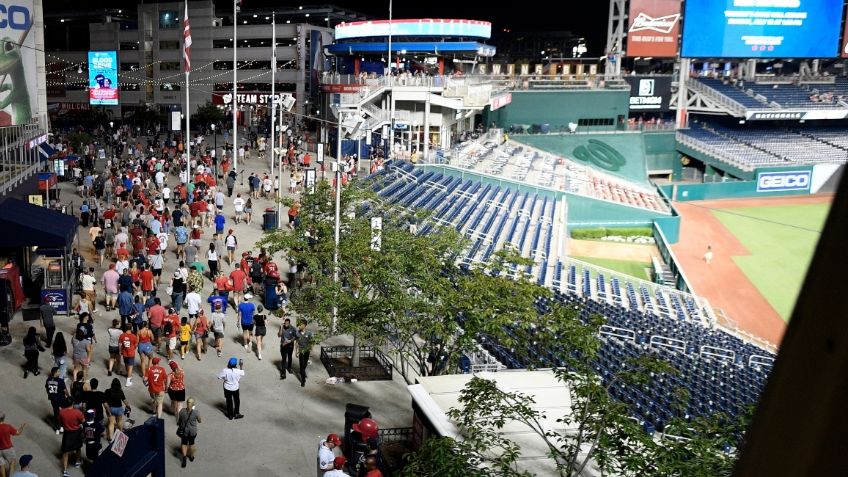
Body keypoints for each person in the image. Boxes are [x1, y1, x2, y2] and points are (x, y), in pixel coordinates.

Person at [58, 399, 84, 477]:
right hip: (76, 432)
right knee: (78, 448)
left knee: (65, 452)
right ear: (72, 403)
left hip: (67, 433)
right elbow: (83, 420)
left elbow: (60, 422)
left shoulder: (61, 412)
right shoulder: (77, 412)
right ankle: (77, 462)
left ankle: (65, 470)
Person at [177, 397, 202, 468]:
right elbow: (200, 421)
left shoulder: (182, 411)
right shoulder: (196, 412)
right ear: (193, 404)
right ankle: (191, 456)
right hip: (192, 431)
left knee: (184, 443)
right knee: (191, 443)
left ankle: (184, 457)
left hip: (184, 431)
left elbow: (179, 422)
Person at [0, 413, 26, 477]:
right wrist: (22, 427)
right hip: (8, 449)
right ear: (3, 418)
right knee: (12, 461)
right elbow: (18, 433)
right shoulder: (8, 427)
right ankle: (10, 476)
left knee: (1, 464)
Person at [45, 367, 68, 434]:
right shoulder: (60, 381)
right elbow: (65, 390)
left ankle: (57, 429)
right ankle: (63, 426)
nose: (59, 372)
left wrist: (49, 395)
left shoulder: (48, 380)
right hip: (61, 399)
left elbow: (47, 388)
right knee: (65, 411)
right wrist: (69, 397)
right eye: (58, 371)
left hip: (53, 399)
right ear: (55, 373)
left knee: (56, 413)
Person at [295, 319, 314, 387]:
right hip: (301, 351)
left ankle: (302, 372)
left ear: (304, 325)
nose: (299, 326)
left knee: (304, 364)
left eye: (300, 325)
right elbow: (296, 343)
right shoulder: (297, 333)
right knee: (301, 365)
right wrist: (296, 351)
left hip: (307, 351)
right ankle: (303, 380)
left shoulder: (309, 333)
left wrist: (311, 352)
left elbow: (311, 343)